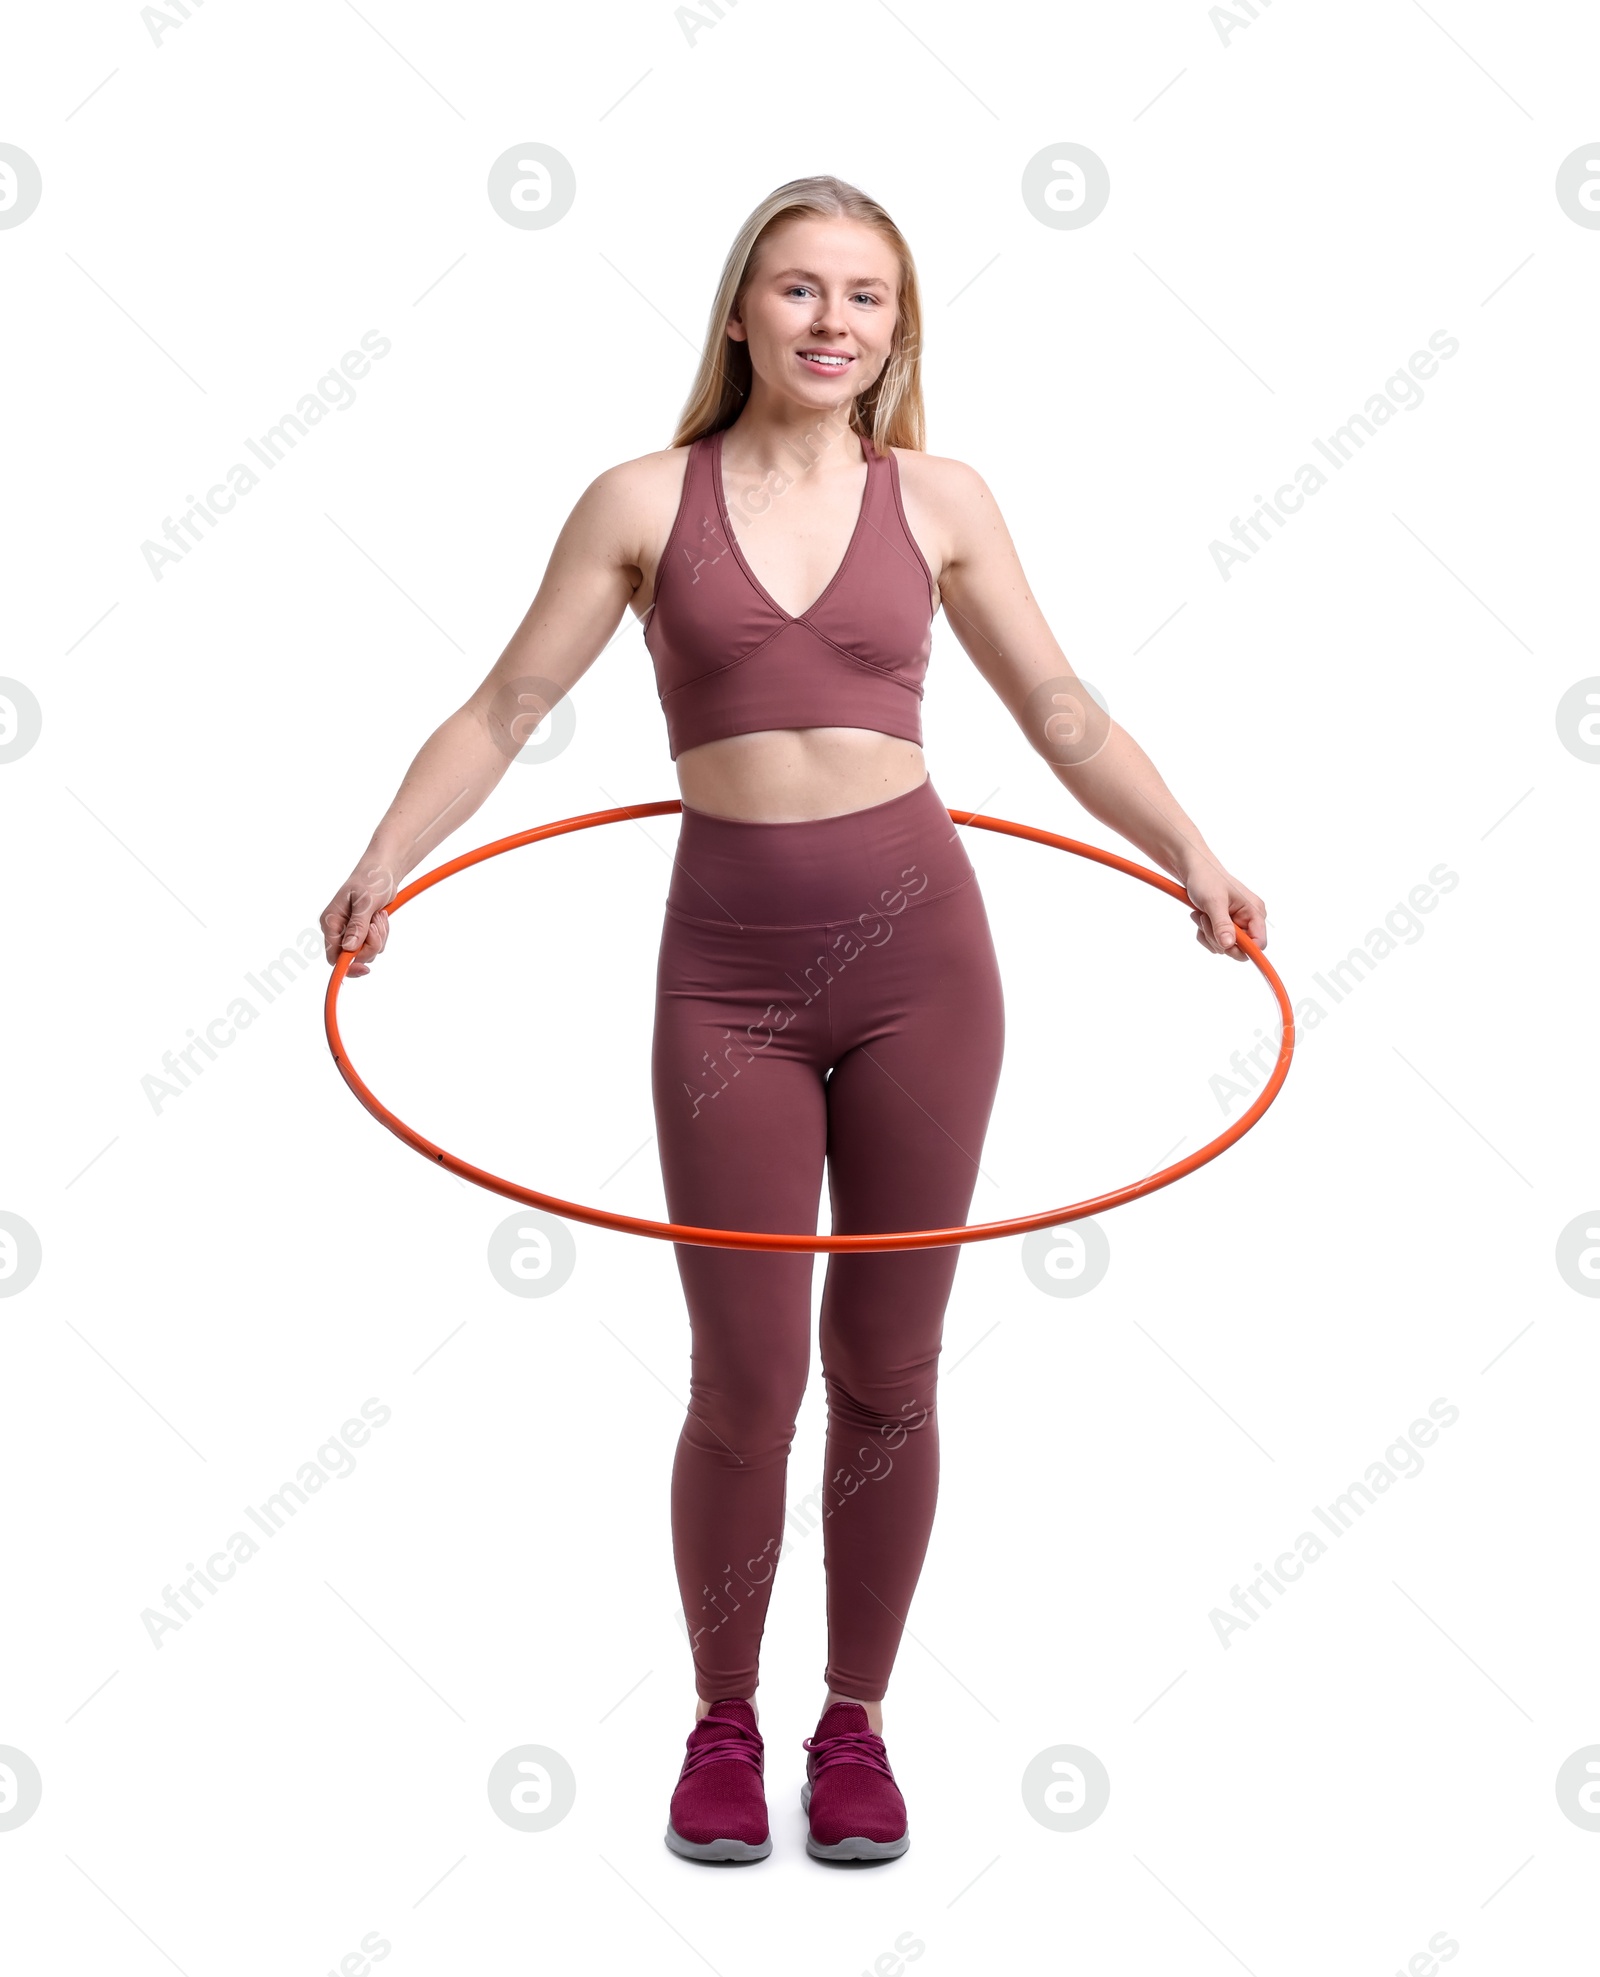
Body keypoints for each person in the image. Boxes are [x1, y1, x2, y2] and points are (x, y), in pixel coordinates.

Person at [319, 174, 1267, 1867]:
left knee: (888, 1371)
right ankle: (722, 1718)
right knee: (747, 1380)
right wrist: (386, 858)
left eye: (870, 298)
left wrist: (1193, 847)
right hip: (729, 980)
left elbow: (1057, 706)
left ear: (901, 330)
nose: (836, 322)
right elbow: (505, 705)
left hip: (927, 968)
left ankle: (856, 1727)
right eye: (802, 289)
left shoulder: (945, 497)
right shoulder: (637, 498)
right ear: (741, 312)